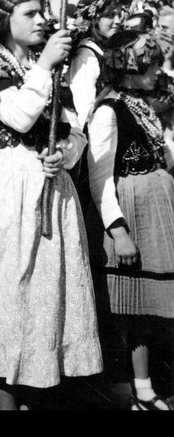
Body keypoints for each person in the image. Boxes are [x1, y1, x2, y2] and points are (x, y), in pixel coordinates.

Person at [0, 0, 102, 411]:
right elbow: (19, 116)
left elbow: (76, 129)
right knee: (9, 301)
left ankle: (41, 396)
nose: (41, 21)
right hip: (8, 193)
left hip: (53, 193)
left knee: (45, 304)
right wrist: (45, 67)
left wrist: (64, 155)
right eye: (30, 13)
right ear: (5, 18)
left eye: (42, 12)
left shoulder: (46, 66)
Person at [86, 30, 174, 411]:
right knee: (137, 304)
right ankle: (139, 388)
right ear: (129, 67)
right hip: (132, 209)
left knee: (154, 302)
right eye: (149, 65)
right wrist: (119, 232)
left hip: (157, 206)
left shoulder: (139, 102)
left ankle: (146, 385)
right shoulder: (109, 109)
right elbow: (100, 178)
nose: (157, 72)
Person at [68, 0, 124, 129]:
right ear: (94, 17)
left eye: (119, 14)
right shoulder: (87, 55)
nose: (118, 21)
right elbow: (82, 112)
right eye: (110, 15)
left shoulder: (105, 49)